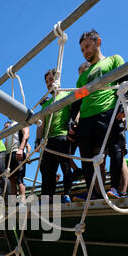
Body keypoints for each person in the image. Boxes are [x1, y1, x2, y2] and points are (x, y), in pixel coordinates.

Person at [69, 29, 128, 201]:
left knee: (115, 150)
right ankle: (93, 192)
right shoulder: (83, 77)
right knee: (88, 158)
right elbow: (77, 100)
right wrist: (72, 120)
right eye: (82, 50)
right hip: (87, 119)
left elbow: (125, 82)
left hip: (109, 111)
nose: (85, 51)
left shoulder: (114, 59)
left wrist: (125, 105)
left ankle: (116, 189)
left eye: (87, 46)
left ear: (98, 42)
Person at [35, 68, 73, 204]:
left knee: (65, 167)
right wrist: (37, 140)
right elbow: (41, 123)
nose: (49, 83)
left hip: (63, 136)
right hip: (47, 140)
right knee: (46, 171)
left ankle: (67, 194)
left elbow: (75, 112)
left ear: (58, 79)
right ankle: (47, 197)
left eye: (51, 79)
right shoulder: (45, 103)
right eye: (47, 81)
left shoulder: (68, 95)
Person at [4, 120, 30, 202]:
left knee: (19, 179)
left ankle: (22, 201)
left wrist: (21, 149)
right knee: (11, 179)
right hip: (9, 154)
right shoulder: (10, 126)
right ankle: (13, 203)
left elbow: (26, 135)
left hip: (17, 152)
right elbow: (6, 142)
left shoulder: (21, 120)